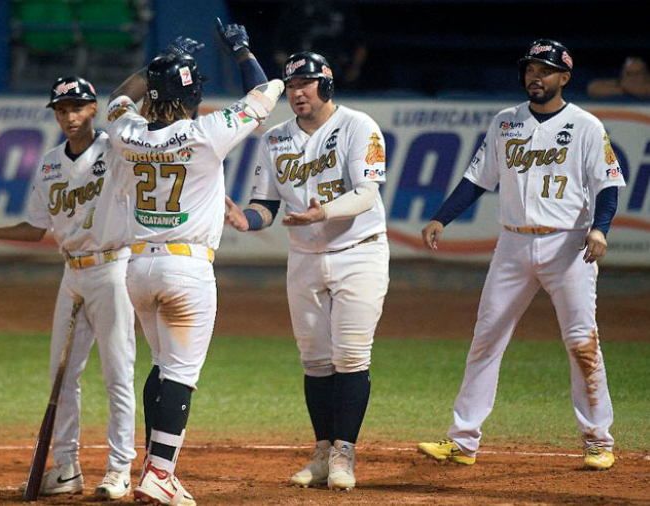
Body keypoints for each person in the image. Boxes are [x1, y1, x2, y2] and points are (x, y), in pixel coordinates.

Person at [417, 39, 624, 471]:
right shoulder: (505, 122)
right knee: (486, 338)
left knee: (581, 342)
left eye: (545, 70)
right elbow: (477, 179)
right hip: (512, 245)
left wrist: (600, 229)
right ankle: (463, 440)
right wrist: (441, 218)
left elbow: (607, 183)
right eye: (531, 69)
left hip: (568, 246)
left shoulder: (585, 126)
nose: (535, 76)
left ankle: (598, 439)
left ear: (564, 77)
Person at [0, 75, 138, 500]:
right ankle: (66, 468)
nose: (69, 116)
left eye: (77, 107)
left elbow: (128, 95)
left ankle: (119, 469)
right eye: (61, 110)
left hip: (112, 270)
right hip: (72, 276)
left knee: (117, 374)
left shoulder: (116, 150)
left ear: (94, 108)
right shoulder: (49, 165)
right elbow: (34, 228)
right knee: (61, 377)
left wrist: (152, 71)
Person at [105, 19, 283, 505]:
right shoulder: (206, 132)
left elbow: (118, 98)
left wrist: (153, 66)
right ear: (193, 96)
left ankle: (153, 468)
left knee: (161, 367)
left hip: (138, 269)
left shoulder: (127, 132)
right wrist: (243, 51)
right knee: (180, 374)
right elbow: (265, 92)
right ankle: (160, 475)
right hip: (186, 269)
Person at [224, 51, 389, 491]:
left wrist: (323, 212)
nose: (298, 93)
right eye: (293, 86)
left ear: (326, 84)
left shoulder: (358, 126)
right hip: (304, 257)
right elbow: (265, 206)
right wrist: (247, 220)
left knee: (351, 356)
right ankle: (322, 452)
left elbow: (367, 194)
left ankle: (344, 454)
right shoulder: (275, 139)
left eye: (307, 83)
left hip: (359, 252)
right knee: (315, 360)